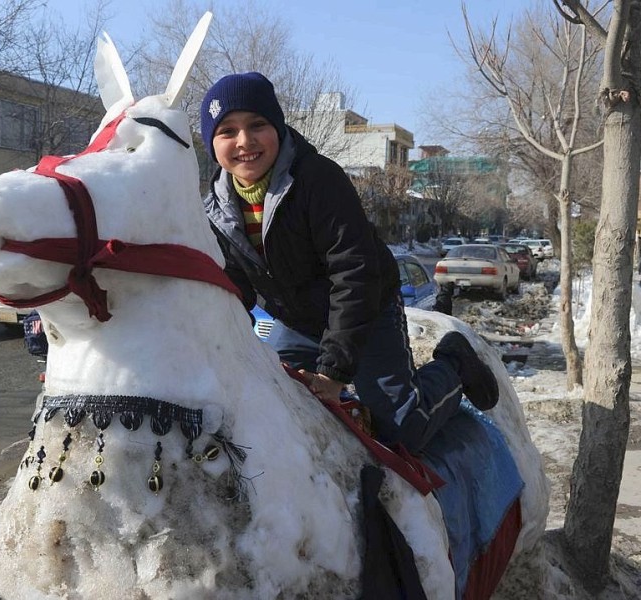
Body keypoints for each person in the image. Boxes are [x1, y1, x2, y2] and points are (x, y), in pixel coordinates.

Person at [200, 72, 499, 453]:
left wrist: (332, 371)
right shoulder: (216, 205)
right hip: (296, 323)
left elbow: (354, 273)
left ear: (278, 127)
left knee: (399, 429)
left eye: (258, 124)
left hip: (367, 309)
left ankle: (454, 365)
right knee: (264, 407)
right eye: (227, 130)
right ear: (212, 143)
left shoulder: (318, 180)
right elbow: (233, 286)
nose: (245, 141)